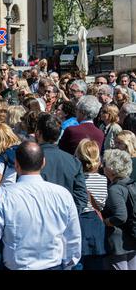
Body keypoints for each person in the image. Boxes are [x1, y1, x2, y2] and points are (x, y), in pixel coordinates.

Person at [0, 141, 82, 270]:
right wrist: (67, 264)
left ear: (16, 165)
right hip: (53, 266)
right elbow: (73, 239)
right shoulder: (63, 195)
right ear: (43, 163)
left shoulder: (4, 196)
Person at [36, 113, 88, 213]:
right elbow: (81, 197)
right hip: (63, 218)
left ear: (38, 133)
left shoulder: (30, 158)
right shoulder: (73, 161)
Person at [72, 139, 107, 270]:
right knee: (97, 263)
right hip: (96, 222)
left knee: (77, 262)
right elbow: (102, 205)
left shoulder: (74, 178)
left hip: (78, 220)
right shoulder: (103, 180)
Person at [102, 149, 136, 270]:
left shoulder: (115, 189)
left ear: (112, 168)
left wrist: (106, 221)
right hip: (131, 239)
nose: (102, 166)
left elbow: (121, 216)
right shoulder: (131, 183)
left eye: (105, 163)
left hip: (119, 243)